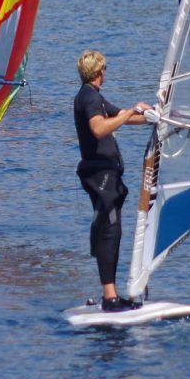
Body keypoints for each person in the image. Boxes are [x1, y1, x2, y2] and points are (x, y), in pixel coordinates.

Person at [73, 50, 153, 312]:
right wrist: (131, 109)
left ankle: (113, 294)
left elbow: (126, 118)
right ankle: (109, 298)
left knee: (112, 228)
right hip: (99, 174)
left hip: (107, 174)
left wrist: (154, 116)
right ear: (100, 72)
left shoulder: (95, 97)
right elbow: (98, 128)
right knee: (109, 227)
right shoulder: (88, 98)